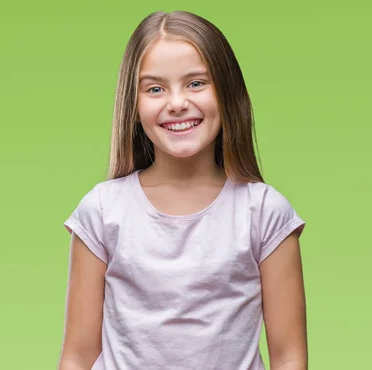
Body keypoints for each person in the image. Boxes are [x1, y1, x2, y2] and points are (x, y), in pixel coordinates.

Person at [57, 10, 308, 370]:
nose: (176, 103)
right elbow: (77, 356)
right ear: (134, 105)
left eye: (196, 83)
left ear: (228, 93)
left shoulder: (265, 213)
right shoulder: (101, 210)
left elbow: (289, 358)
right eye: (155, 88)